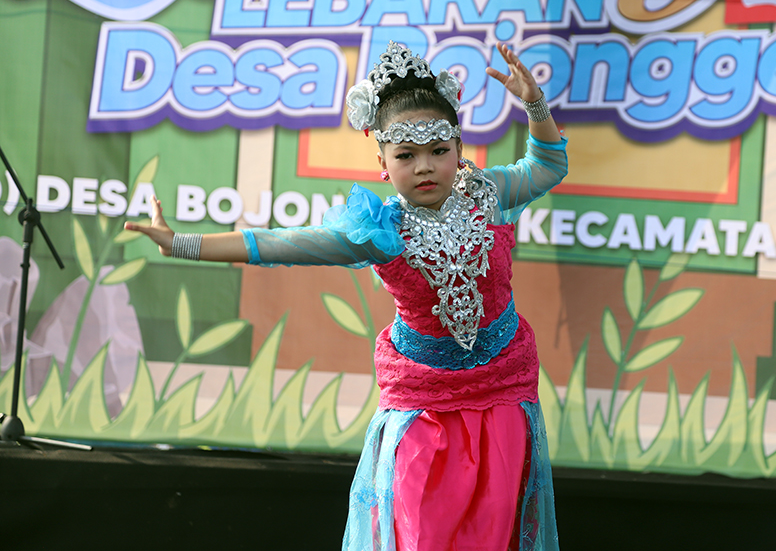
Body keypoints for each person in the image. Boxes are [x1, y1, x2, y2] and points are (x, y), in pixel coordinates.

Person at [125, 40, 567, 550]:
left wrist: (534, 104)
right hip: (424, 401)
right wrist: (180, 243)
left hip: (501, 389)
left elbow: (550, 164)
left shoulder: (490, 194)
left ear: (458, 149)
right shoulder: (378, 229)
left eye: (438, 152)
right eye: (406, 155)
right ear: (382, 160)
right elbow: (276, 244)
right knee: (420, 526)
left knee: (495, 528)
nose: (424, 167)